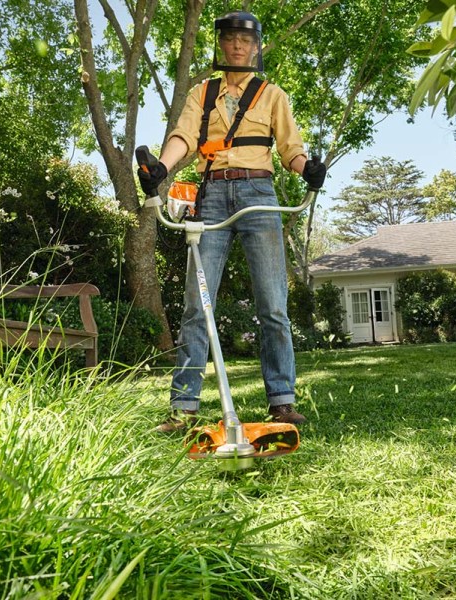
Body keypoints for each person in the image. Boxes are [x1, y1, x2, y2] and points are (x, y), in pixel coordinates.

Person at [138, 10, 326, 433]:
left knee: (273, 304)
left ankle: (281, 401)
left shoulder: (273, 95)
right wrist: (161, 170)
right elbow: (183, 139)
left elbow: (290, 149)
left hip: (259, 195)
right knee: (195, 304)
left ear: (256, 46)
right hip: (212, 194)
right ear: (220, 44)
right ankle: (183, 407)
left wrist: (306, 169)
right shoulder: (201, 94)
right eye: (229, 38)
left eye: (245, 39)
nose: (237, 45)